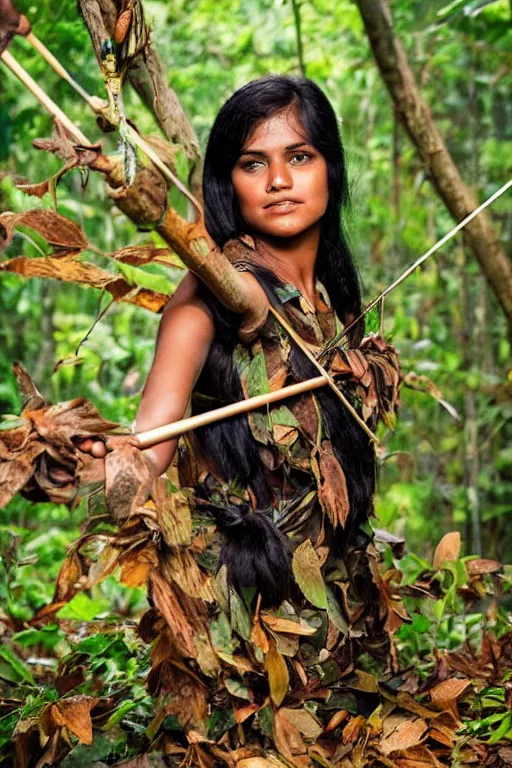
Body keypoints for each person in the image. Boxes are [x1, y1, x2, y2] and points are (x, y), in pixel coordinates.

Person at [80, 75, 401, 757]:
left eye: (301, 157)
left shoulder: (338, 301)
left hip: (345, 642)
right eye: (254, 163)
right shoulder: (208, 300)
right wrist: (79, 466)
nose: (279, 179)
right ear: (230, 182)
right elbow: (147, 449)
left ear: (331, 169)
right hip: (244, 647)